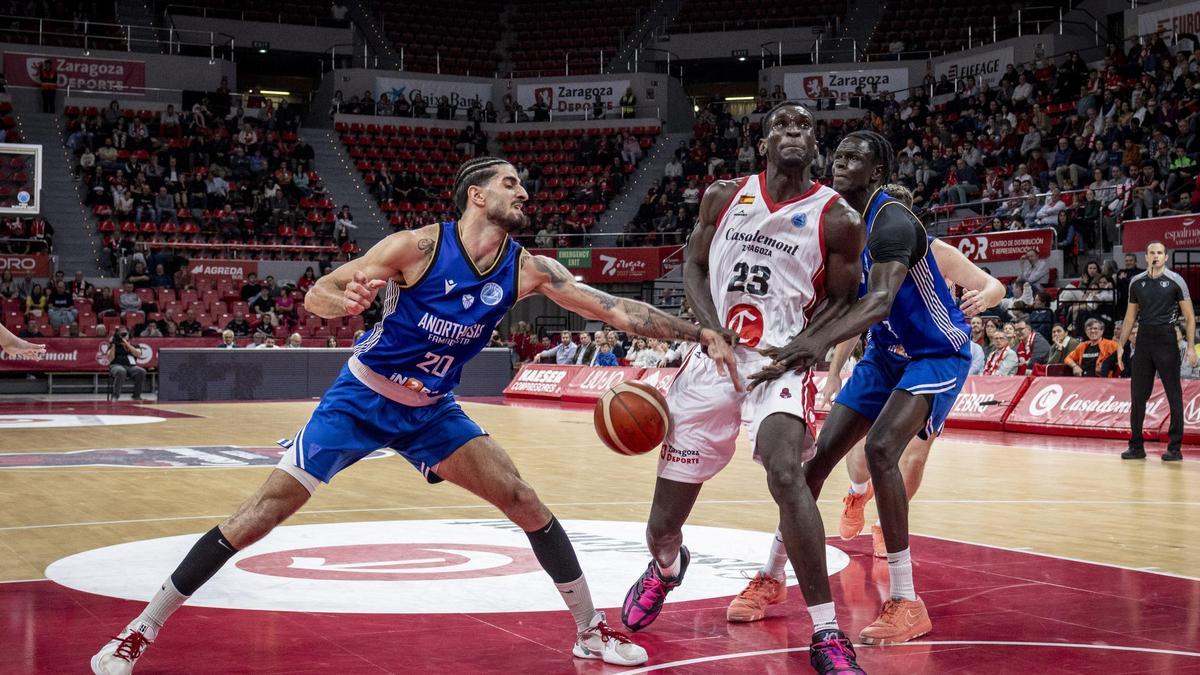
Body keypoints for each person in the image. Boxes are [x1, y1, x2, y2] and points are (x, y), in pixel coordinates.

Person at [92, 156, 739, 673]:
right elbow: (321, 291)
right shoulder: (417, 248)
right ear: (476, 195)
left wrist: (696, 333)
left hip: (433, 412)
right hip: (363, 396)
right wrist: (341, 298)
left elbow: (617, 311)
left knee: (525, 499)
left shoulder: (527, 270)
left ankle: (590, 633)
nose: (524, 194)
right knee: (262, 511)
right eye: (510, 183)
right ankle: (138, 630)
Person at [619, 102, 867, 674]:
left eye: (805, 126)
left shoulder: (837, 218)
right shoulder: (723, 196)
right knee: (661, 524)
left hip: (780, 363)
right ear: (764, 142)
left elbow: (845, 300)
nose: (793, 132)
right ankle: (665, 566)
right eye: (781, 124)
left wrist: (811, 344)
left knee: (787, 473)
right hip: (712, 360)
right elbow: (694, 266)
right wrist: (708, 328)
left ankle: (827, 633)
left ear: (815, 144)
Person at [742, 129, 977, 650]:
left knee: (880, 450)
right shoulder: (838, 225)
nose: (841, 163)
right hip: (885, 356)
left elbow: (877, 306)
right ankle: (771, 575)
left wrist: (812, 346)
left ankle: (906, 599)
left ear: (877, 173)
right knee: (814, 463)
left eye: (856, 159)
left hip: (934, 353)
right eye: (839, 155)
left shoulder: (892, 221)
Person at [1115, 242, 1197, 461]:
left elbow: (1189, 317)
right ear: (1146, 256)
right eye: (1152, 252)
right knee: (1138, 395)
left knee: (1174, 395)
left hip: (1167, 339)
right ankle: (1136, 445)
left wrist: (1190, 346)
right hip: (1143, 340)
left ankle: (1174, 447)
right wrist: (1121, 346)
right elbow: (1130, 318)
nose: (1156, 256)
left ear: (1166, 257)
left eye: (1160, 253)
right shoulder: (1136, 282)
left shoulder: (1176, 280)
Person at [106, 328, 146, 400]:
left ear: (129, 335)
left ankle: (136, 396)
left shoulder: (135, 346)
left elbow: (138, 354)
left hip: (131, 367)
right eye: (121, 334)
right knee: (121, 371)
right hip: (116, 365)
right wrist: (114, 344)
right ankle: (115, 396)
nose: (123, 336)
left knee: (141, 371)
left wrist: (126, 343)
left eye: (125, 334)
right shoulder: (113, 346)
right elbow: (110, 359)